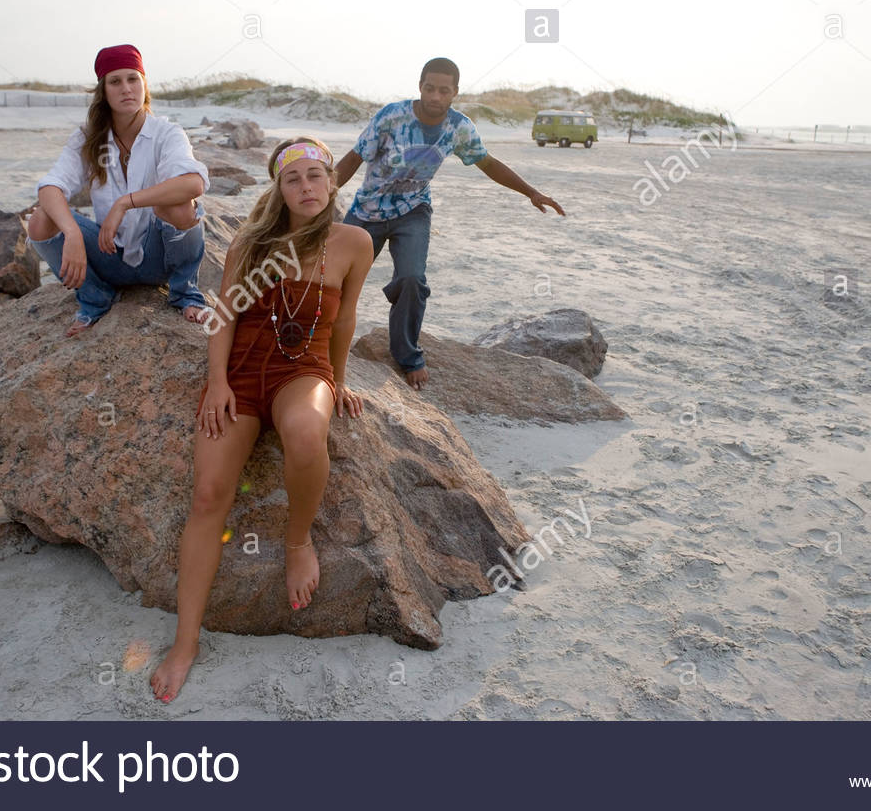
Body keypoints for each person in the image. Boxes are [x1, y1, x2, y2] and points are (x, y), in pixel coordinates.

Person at [149, 136, 374, 703]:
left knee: (304, 431)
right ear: (278, 188)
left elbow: (344, 320)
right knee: (208, 496)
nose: (306, 188)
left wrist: (339, 380)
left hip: (305, 368)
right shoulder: (254, 242)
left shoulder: (354, 242)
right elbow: (223, 316)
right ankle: (185, 641)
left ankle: (297, 542)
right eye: (293, 179)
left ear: (332, 181)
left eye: (316, 176)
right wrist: (219, 382)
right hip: (245, 370)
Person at [335, 57, 565, 389]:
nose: (435, 97)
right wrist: (324, 193)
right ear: (420, 86)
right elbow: (354, 158)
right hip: (367, 210)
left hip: (413, 212)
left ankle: (407, 355)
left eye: (444, 90)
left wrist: (530, 192)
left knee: (412, 279)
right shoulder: (391, 116)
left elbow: (487, 163)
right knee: (336, 280)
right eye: (430, 88)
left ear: (455, 92)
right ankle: (318, 341)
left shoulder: (459, 127)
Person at [27, 44, 210, 336]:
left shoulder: (166, 133)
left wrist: (126, 202)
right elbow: (51, 186)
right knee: (40, 220)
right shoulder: (88, 139)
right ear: (104, 91)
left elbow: (193, 183)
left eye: (133, 78)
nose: (126, 88)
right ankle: (94, 299)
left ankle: (185, 294)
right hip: (108, 255)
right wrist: (72, 233)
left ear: (144, 84)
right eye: (115, 81)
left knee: (178, 204)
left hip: (157, 259)